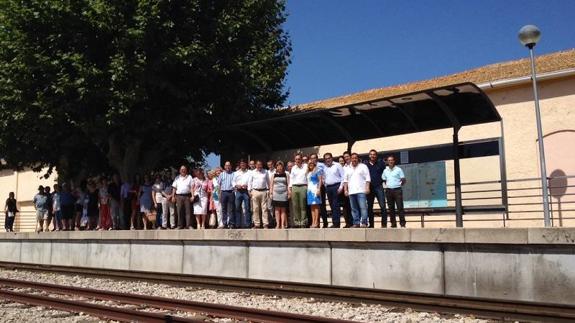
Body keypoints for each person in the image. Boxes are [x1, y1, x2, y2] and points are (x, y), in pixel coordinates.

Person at [343, 153, 371, 228]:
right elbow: (345, 180)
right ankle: (356, 223)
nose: (354, 159)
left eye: (355, 158)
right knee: (354, 209)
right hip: (351, 191)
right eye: (353, 158)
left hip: (361, 191)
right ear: (351, 159)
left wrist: (367, 188)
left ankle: (364, 223)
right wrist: (345, 190)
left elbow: (368, 178)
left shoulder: (363, 166)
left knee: (363, 207)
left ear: (358, 159)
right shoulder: (348, 168)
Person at [365, 149, 387, 228]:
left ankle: (384, 224)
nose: (372, 156)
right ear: (369, 156)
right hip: (370, 188)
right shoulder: (366, 165)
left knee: (383, 206)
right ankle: (371, 225)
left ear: (376, 156)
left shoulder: (381, 164)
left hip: (379, 187)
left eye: (374, 154)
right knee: (370, 207)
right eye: (371, 154)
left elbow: (386, 174)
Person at [382, 155, 407, 228]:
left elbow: (403, 180)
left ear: (394, 161)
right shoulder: (385, 170)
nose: (390, 161)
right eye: (389, 160)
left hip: (397, 190)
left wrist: (398, 185)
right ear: (387, 162)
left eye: (392, 160)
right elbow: (384, 179)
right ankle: (393, 224)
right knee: (391, 208)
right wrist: (387, 186)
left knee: (400, 207)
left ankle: (402, 224)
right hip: (389, 190)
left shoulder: (399, 169)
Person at [323, 153, 345, 228]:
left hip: (336, 186)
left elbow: (343, 177)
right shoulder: (324, 167)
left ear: (332, 158)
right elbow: (324, 177)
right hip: (328, 188)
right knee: (332, 206)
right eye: (326, 159)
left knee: (336, 205)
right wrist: (325, 186)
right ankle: (334, 222)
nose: (327, 160)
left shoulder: (337, 165)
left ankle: (336, 223)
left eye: (329, 158)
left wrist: (341, 187)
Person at [249, 160, 270, 229]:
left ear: (262, 165)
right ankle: (257, 224)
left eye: (260, 164)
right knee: (255, 209)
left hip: (263, 191)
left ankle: (265, 224)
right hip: (255, 191)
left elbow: (268, 181)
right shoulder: (252, 172)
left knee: (264, 208)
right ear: (255, 165)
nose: (259, 166)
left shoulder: (265, 171)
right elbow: (250, 182)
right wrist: (250, 191)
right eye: (258, 165)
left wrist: (268, 190)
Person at [288, 153, 308, 227]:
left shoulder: (306, 166)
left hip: (303, 186)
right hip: (295, 187)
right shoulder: (293, 168)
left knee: (303, 205)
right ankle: (297, 222)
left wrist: (307, 186)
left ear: (301, 159)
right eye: (296, 159)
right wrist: (290, 188)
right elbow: (291, 178)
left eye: (299, 159)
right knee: (295, 205)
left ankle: (303, 222)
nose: (297, 160)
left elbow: (308, 176)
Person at [172, 165, 193, 229]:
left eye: (184, 169)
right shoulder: (177, 178)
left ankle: (189, 225)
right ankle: (179, 225)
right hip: (179, 196)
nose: (183, 170)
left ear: (186, 170)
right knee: (179, 211)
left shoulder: (189, 177)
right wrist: (173, 196)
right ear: (180, 170)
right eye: (181, 169)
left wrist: (192, 196)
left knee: (188, 211)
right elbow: (174, 188)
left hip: (187, 196)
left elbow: (192, 187)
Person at [309, 153, 328, 228]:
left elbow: (326, 174)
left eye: (314, 158)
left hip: (320, 187)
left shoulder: (321, 165)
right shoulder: (310, 168)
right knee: (314, 206)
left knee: (322, 206)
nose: (313, 159)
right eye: (312, 158)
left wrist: (323, 182)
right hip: (311, 189)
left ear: (317, 158)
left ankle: (325, 223)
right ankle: (317, 223)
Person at [270, 161, 289, 229]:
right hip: (276, 194)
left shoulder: (286, 174)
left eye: (280, 166)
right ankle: (278, 224)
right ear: (276, 167)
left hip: (284, 194)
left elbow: (288, 184)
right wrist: (271, 193)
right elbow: (271, 184)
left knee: (283, 210)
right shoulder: (273, 175)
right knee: (277, 210)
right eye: (278, 166)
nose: (279, 167)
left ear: (282, 167)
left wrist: (289, 192)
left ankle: (283, 225)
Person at [233, 160, 252, 228]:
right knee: (237, 208)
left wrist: (248, 187)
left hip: (246, 191)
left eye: (244, 164)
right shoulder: (236, 173)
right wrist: (236, 185)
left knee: (247, 208)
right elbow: (233, 181)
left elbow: (250, 181)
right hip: (238, 191)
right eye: (241, 164)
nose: (243, 165)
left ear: (246, 164)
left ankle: (248, 224)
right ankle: (238, 224)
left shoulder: (249, 172)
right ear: (240, 165)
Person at [306, 160, 323, 228]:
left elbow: (320, 180)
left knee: (316, 206)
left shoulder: (317, 171)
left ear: (314, 164)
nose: (310, 164)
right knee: (312, 207)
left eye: (312, 163)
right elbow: (308, 182)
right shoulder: (308, 172)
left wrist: (319, 189)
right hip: (310, 191)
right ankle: (313, 222)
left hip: (315, 190)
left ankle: (316, 222)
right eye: (309, 163)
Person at [218, 161, 235, 229]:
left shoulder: (233, 174)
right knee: (224, 209)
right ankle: (224, 224)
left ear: (230, 166)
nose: (228, 167)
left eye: (229, 165)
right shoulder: (221, 174)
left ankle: (231, 224)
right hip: (223, 192)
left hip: (231, 192)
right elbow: (219, 185)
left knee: (231, 209)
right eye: (226, 165)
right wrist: (219, 194)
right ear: (224, 166)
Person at [340, 151, 353, 227]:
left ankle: (355, 222)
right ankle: (348, 223)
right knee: (345, 207)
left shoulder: (354, 165)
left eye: (347, 156)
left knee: (353, 206)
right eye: (345, 157)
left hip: (353, 188)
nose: (346, 158)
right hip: (345, 189)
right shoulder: (343, 168)